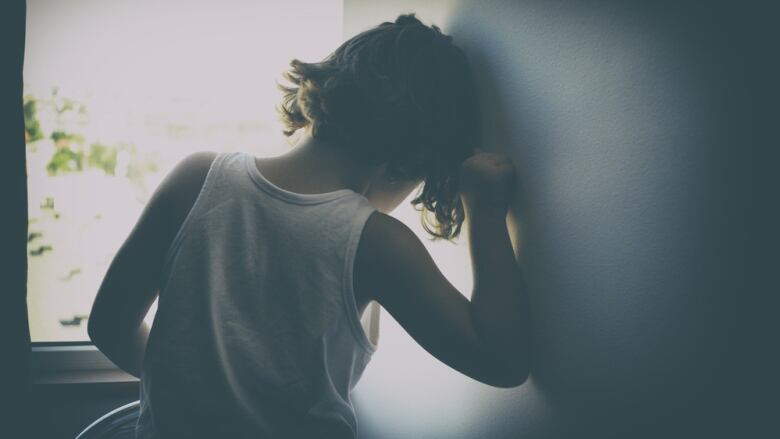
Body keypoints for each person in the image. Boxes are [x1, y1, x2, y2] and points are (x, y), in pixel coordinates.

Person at [88, 13, 530, 439]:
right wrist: (487, 215)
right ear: (411, 159)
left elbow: (108, 326)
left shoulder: (196, 177)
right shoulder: (377, 242)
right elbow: (503, 363)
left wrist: (193, 392)